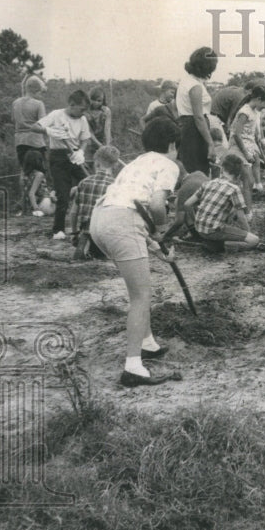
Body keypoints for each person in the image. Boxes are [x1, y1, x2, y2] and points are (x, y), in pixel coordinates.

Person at [89, 118, 182, 387]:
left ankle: (148, 342)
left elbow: (135, 218)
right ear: (173, 145)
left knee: (137, 289)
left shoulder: (135, 163)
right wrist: (163, 228)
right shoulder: (168, 164)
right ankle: (133, 367)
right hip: (122, 223)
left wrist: (156, 246)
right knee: (141, 296)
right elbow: (154, 206)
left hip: (100, 220)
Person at [30, 89, 94, 240]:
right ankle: (58, 230)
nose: (84, 112)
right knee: (63, 195)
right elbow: (34, 127)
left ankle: (89, 225)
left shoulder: (82, 119)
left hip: (75, 156)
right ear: (72, 105)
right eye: (82, 109)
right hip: (58, 157)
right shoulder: (56, 115)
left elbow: (85, 138)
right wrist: (48, 131)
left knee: (89, 184)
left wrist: (81, 152)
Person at [184, 153, 265, 251]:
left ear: (222, 169)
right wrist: (249, 234)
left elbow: (187, 204)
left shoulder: (209, 183)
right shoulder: (234, 189)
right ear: (239, 175)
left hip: (199, 228)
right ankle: (219, 246)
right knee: (254, 240)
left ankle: (212, 241)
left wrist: (194, 223)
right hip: (213, 230)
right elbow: (241, 218)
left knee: (228, 209)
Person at [69, 145, 122, 259]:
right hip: (105, 231)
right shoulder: (116, 186)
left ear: (96, 163)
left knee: (87, 230)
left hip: (86, 227)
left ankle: (85, 241)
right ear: (115, 165)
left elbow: (73, 212)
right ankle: (97, 250)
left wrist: (74, 233)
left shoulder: (84, 182)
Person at [229, 85, 265, 212]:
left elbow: (255, 129)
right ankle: (246, 212)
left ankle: (246, 211)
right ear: (258, 99)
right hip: (238, 147)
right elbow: (237, 135)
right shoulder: (245, 111)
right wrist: (246, 153)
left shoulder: (255, 112)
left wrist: (261, 140)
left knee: (248, 181)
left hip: (248, 146)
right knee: (247, 181)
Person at [175, 47, 218, 175]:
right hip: (194, 129)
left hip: (186, 125)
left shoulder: (186, 81)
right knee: (197, 171)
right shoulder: (195, 86)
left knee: (188, 168)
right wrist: (210, 144)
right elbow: (198, 117)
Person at [12, 75, 48, 168]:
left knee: (25, 170)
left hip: (20, 142)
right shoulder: (39, 104)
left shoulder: (15, 103)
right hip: (36, 142)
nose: (41, 97)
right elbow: (43, 124)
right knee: (39, 172)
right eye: (41, 93)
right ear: (36, 90)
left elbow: (13, 120)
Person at [83, 87, 112, 169]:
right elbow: (89, 132)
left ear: (103, 101)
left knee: (104, 165)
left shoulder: (106, 111)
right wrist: (99, 144)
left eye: (99, 101)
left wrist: (107, 144)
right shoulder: (85, 112)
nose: (96, 103)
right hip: (89, 141)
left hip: (102, 139)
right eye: (93, 100)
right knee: (89, 165)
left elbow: (107, 128)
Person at [18, 149, 51, 217]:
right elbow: (31, 193)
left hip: (31, 205)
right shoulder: (39, 174)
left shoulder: (23, 175)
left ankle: (32, 211)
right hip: (44, 202)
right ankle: (38, 211)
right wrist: (36, 209)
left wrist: (23, 211)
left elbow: (24, 194)